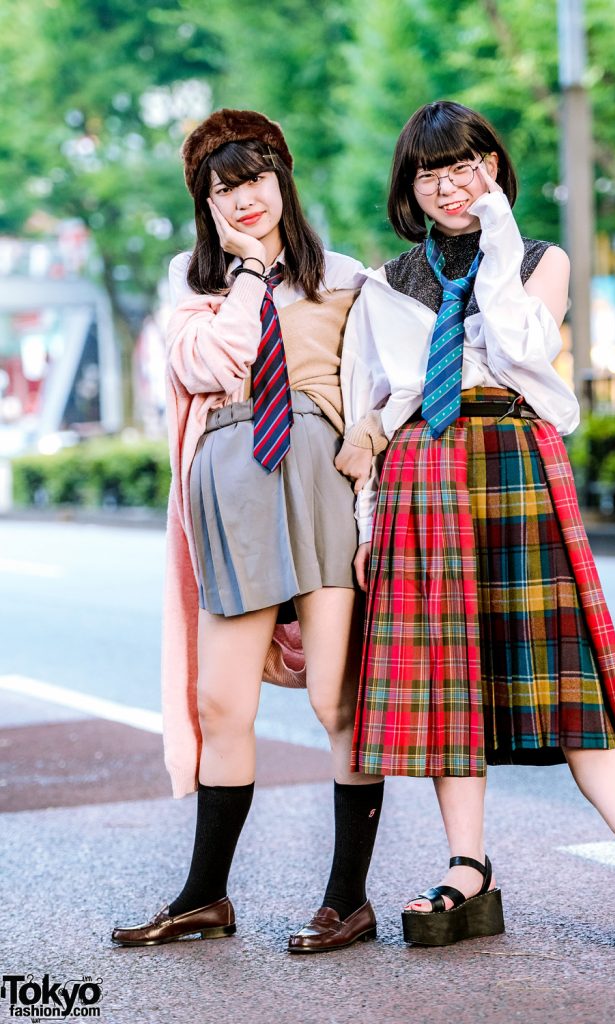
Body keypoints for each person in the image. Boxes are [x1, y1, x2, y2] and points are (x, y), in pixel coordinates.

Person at [335, 100, 615, 951]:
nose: (450, 184)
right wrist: (364, 524)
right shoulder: (383, 284)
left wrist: (496, 235)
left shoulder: (540, 260)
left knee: (563, 676)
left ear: (494, 168)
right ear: (409, 187)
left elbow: (525, 349)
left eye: (467, 165)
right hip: (423, 471)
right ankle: (469, 868)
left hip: (517, 459)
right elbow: (371, 408)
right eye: (431, 172)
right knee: (448, 685)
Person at [111, 109, 384, 954]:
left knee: (339, 698)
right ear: (205, 201)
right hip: (230, 486)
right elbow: (211, 364)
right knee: (220, 699)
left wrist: (371, 516)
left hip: (319, 480)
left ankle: (347, 900)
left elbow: (370, 402)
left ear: (282, 181)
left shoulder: (345, 278)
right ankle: (206, 896)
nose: (242, 198)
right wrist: (249, 277)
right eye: (222, 188)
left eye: (254, 180)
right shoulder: (190, 284)